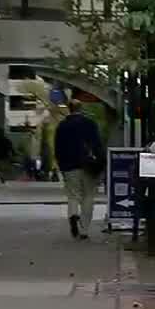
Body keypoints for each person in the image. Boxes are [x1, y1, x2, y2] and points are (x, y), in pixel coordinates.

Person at [54, 99, 105, 239]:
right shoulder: (90, 124)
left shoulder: (62, 126)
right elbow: (98, 146)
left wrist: (61, 166)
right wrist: (100, 165)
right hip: (89, 165)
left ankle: (73, 214)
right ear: (80, 108)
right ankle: (84, 230)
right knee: (88, 196)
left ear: (69, 109)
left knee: (73, 195)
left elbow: (58, 149)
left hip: (69, 166)